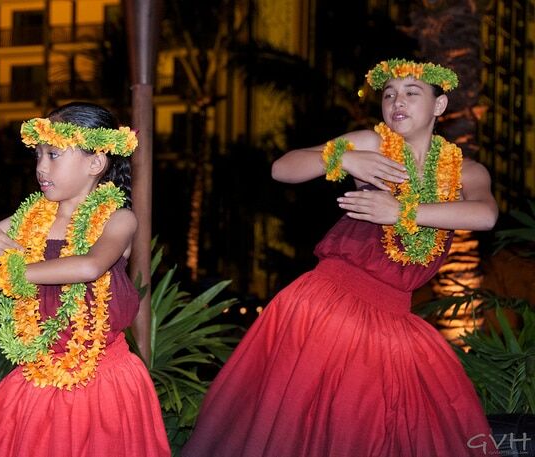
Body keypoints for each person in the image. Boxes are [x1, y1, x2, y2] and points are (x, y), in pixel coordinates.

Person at [182, 58, 498, 457]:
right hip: (329, 305)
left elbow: (485, 215)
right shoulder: (373, 143)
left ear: (439, 105)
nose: (396, 102)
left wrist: (401, 211)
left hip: (395, 316)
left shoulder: (466, 172)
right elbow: (283, 168)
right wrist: (341, 158)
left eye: (411, 93)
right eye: (388, 95)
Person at [0, 101, 171, 457]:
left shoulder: (118, 220)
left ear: (95, 163)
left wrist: (8, 275)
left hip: (106, 384)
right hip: (37, 379)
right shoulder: (27, 220)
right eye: (38, 156)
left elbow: (90, 266)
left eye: (54, 155)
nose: (41, 168)